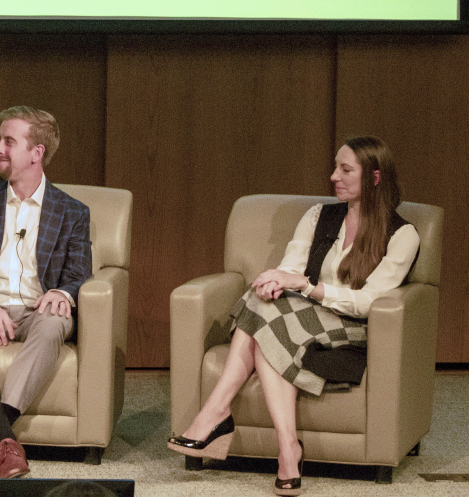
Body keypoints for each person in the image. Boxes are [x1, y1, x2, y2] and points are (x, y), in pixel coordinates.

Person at [167, 136, 420, 497]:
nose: (334, 176)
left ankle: (215, 416)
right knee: (261, 300)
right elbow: (292, 266)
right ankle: (287, 448)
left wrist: (307, 286)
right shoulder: (318, 216)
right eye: (335, 167)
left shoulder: (402, 235)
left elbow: (367, 302)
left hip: (352, 327)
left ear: (375, 177)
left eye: (346, 170)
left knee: (262, 318)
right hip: (301, 316)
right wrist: (275, 282)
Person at [0, 106, 92, 479]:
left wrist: (63, 292)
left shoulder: (72, 212)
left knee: (56, 319)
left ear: (36, 152)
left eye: (8, 141)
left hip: (35, 311)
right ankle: (6, 439)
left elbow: (79, 273)